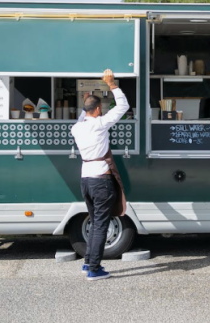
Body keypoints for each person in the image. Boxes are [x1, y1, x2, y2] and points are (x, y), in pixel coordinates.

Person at [71, 69, 129, 281]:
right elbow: (123, 107)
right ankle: (94, 268)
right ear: (98, 110)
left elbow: (83, 114)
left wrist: (86, 99)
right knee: (100, 226)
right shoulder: (100, 123)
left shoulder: (77, 128)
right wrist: (112, 84)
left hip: (85, 179)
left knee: (95, 223)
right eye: (100, 109)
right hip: (101, 181)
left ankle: (88, 263)